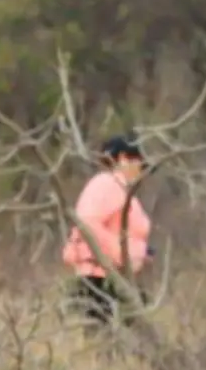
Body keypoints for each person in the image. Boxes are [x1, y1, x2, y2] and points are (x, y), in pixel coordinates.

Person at [62, 133, 156, 328]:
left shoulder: (121, 189)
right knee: (105, 338)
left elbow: (122, 231)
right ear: (122, 158)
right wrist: (123, 256)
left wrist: (141, 252)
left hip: (116, 277)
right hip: (101, 278)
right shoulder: (106, 184)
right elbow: (87, 224)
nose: (141, 169)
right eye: (138, 162)